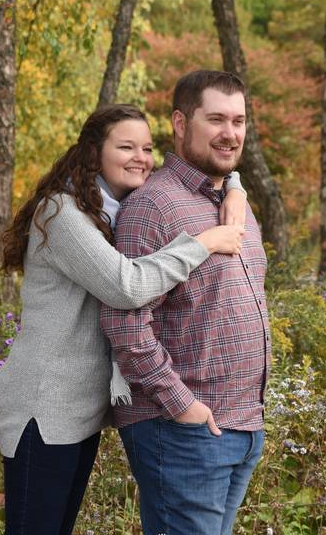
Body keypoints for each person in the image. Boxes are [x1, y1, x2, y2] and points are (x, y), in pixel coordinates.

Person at [0, 104, 249, 535]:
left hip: (79, 410)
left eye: (147, 147)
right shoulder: (62, 213)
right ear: (94, 153)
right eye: (125, 146)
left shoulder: (111, 209)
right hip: (44, 406)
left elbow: (206, 168)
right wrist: (203, 243)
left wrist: (235, 186)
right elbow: (126, 286)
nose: (141, 158)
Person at [100, 71, 271, 535]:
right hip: (180, 429)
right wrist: (182, 406)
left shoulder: (235, 203)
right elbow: (124, 320)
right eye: (215, 119)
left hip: (240, 425)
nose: (230, 132)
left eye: (238, 120)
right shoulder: (152, 207)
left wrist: (235, 185)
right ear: (180, 122)